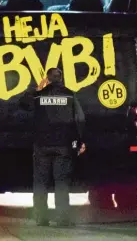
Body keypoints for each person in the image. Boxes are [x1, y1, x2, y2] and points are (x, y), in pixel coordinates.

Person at [21, 68, 86, 227]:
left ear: (48, 79)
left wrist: (35, 89)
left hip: (42, 146)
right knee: (62, 183)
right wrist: (79, 141)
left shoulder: (39, 95)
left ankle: (41, 218)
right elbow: (81, 118)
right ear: (61, 79)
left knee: (41, 183)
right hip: (64, 146)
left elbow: (23, 104)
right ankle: (63, 219)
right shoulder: (70, 94)